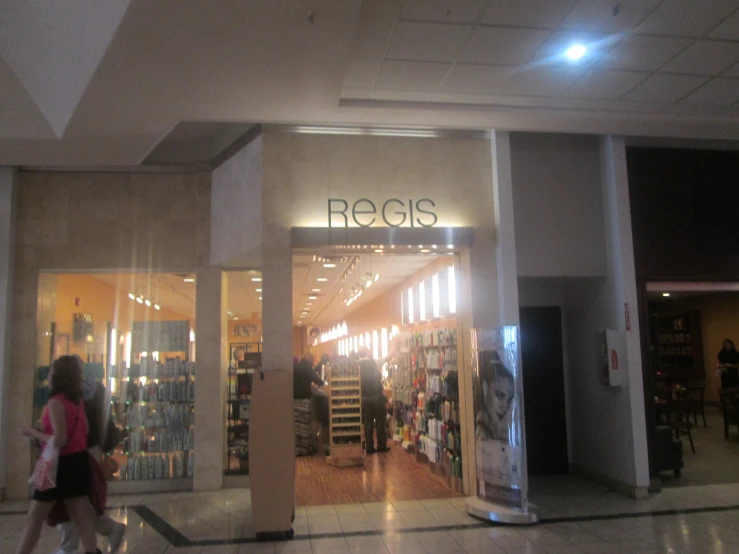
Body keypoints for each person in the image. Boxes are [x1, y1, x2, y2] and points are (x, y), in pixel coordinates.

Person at [17, 355, 102, 554]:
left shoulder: (55, 401)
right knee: (81, 513)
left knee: (35, 516)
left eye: (53, 370)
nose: (49, 374)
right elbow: (86, 429)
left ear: (59, 375)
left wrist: (33, 432)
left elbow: (59, 439)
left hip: (58, 465)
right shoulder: (77, 401)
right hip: (78, 461)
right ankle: (92, 551)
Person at [51, 373, 126, 554]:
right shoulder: (96, 387)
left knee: (73, 499)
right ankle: (106, 530)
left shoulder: (73, 392)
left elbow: (79, 423)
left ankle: (70, 545)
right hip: (91, 447)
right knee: (81, 500)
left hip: (79, 450)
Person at [357, 346, 393, 454]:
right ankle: (381, 446)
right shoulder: (374, 362)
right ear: (367, 352)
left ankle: (369, 447)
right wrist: (395, 344)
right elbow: (388, 357)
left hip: (364, 397)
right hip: (377, 396)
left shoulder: (357, 365)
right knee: (380, 422)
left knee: (367, 422)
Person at [475, 356, 515, 443]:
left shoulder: (492, 428)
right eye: (500, 397)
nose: (505, 408)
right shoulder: (482, 433)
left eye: (509, 400)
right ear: (485, 388)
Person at [293, 353, 324, 456]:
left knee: (296, 427)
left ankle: (297, 449)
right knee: (305, 426)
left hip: (294, 400)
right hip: (304, 400)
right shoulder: (307, 368)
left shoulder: (295, 367)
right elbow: (319, 381)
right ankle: (305, 449)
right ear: (311, 361)